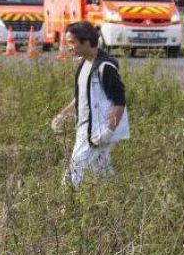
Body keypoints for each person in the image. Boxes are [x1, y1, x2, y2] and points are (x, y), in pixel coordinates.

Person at [50, 21, 129, 187]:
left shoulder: (105, 68)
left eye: (72, 42)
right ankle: (114, 204)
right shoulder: (84, 64)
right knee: (102, 175)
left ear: (86, 41)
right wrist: (63, 115)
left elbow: (119, 102)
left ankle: (68, 209)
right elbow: (81, 97)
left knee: (72, 177)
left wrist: (109, 130)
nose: (69, 47)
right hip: (84, 129)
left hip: (97, 132)